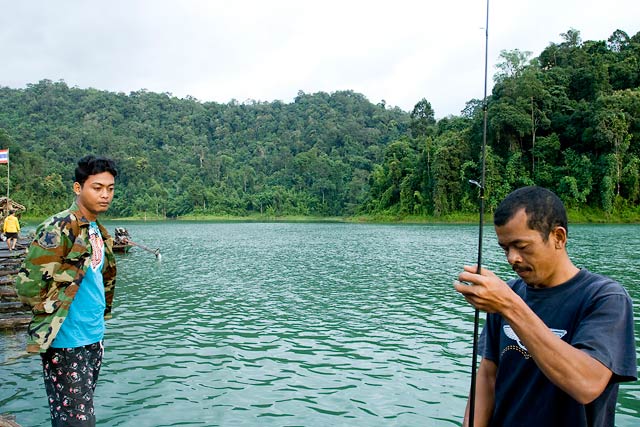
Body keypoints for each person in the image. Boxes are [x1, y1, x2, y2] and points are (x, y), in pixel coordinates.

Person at [454, 186, 636, 427]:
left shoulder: (604, 298)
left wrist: (509, 306)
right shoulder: (507, 294)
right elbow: (487, 377)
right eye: (505, 248)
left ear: (558, 237)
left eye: (522, 246)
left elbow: (587, 385)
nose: (512, 258)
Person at [16, 155, 118, 427]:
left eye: (110, 188)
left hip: (93, 336)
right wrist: (52, 314)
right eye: (97, 187)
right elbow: (27, 287)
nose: (105, 194)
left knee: (71, 418)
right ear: (78, 188)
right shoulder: (59, 228)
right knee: (79, 422)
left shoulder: (97, 229)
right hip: (64, 340)